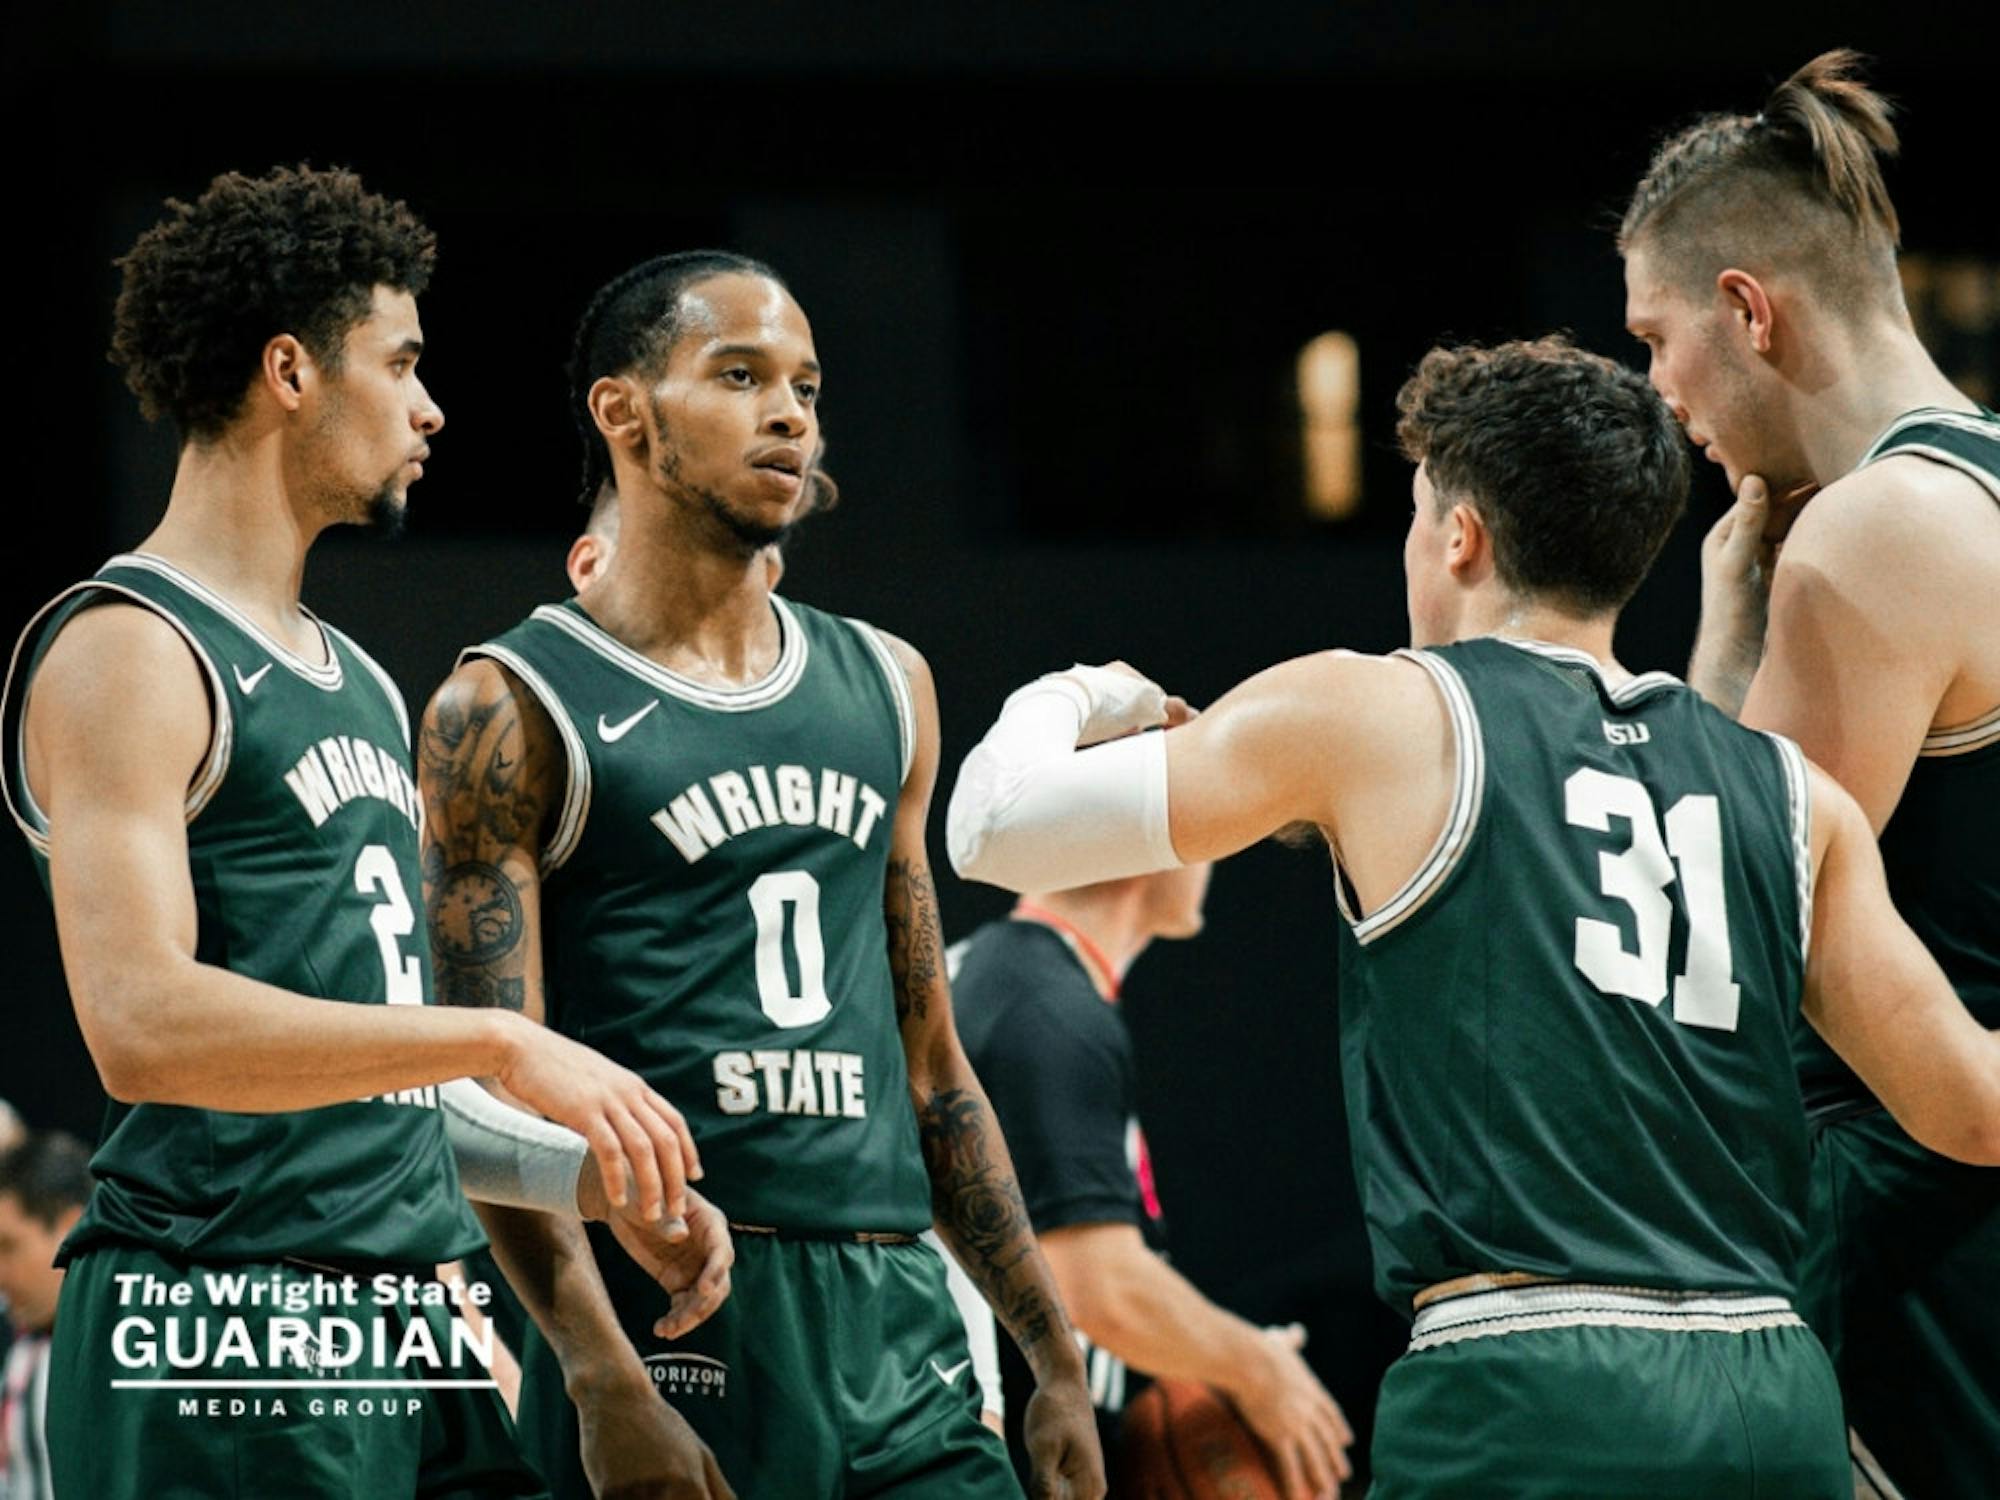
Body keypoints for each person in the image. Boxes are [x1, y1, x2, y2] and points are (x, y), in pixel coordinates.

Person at [946, 335, 2000, 1498]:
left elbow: (988, 830)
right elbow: (1972, 1110)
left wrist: (1095, 689)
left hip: (1527, 1379)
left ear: (1458, 535)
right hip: (1770, 1388)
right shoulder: (1795, 797)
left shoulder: (1375, 712)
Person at [0, 165, 726, 1500]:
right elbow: (140, 1024)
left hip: (395, 1315)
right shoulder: (130, 649)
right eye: (399, 363)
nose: (429, 404)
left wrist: (598, 1178)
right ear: (290, 371)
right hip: (220, 1316)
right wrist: (503, 1040)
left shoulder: (360, 682)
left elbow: (374, 1088)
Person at [417, 249, 1103, 1499]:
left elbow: (929, 1063)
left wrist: (1049, 1351)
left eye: (805, 386)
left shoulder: (887, 685)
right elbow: (491, 1096)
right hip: (672, 1304)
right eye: (738, 376)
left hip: (895, 1311)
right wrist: (598, 1377)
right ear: (624, 412)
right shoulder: (508, 707)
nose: (788, 413)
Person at [1618, 51, 2000, 1497]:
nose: (1658, 389)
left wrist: (1719, 647)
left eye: (1655, 338)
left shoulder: (1871, 533)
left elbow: (1717, 933)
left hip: (1913, 1220)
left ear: (1747, 309)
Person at [947, 871, 1354, 1499]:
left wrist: (1190, 1357)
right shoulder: (1045, 1007)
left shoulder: (1013, 976)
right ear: (1142, 852)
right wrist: (1257, 1368)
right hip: (990, 1460)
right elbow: (1098, 1287)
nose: (1206, 859)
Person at [0, 1130, 90, 1500]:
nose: (1, 1273)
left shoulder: (130, 1353)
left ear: (71, 1227)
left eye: (9, 1247)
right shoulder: (25, 1348)